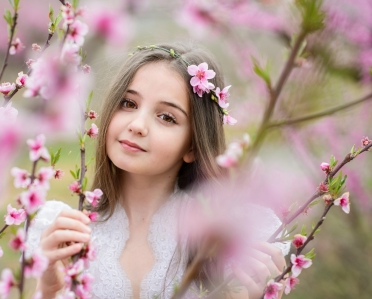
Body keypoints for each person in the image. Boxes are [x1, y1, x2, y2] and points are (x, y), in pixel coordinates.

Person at [26, 42, 289, 299]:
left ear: (193, 147)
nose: (138, 125)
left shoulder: (224, 241)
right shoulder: (65, 233)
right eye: (129, 103)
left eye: (166, 117)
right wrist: (49, 290)